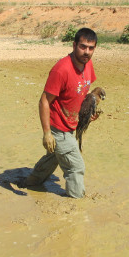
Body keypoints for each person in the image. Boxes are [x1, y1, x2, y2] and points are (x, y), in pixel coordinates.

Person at [19, 27, 100, 198]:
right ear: (74, 45)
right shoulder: (61, 69)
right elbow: (43, 101)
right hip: (58, 128)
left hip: (70, 124)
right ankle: (75, 201)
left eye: (91, 48)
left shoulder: (88, 64)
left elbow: (81, 93)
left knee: (54, 157)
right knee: (76, 167)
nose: (86, 52)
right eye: (83, 46)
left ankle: (31, 182)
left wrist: (86, 115)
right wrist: (47, 133)